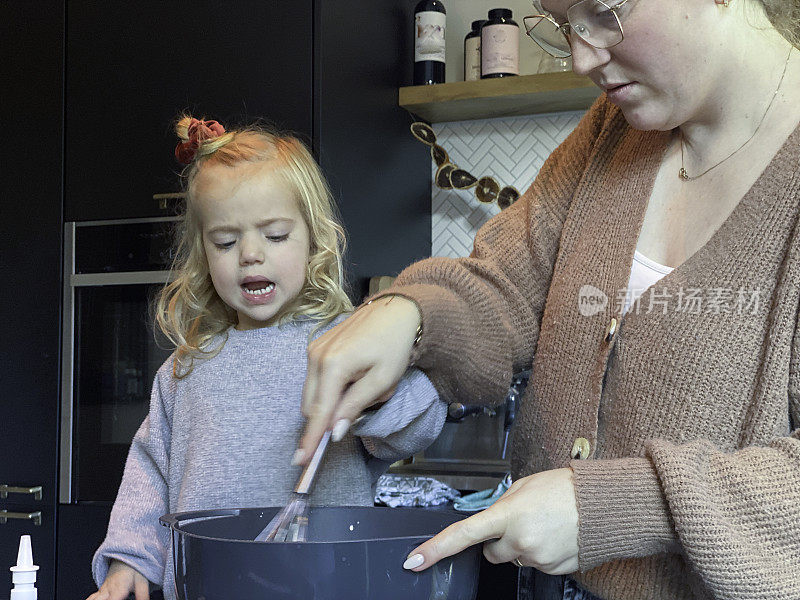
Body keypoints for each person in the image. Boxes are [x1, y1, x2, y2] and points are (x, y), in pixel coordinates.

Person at [296, 1, 800, 598]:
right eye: (563, 25)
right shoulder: (613, 131)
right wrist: (410, 315)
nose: (583, 57)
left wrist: (612, 509)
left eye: (603, 12)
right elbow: (508, 282)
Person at [87, 117, 446, 600]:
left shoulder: (345, 343)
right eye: (226, 242)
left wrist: (369, 400)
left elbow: (421, 425)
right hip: (205, 586)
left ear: (314, 238)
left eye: (275, 235)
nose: (251, 255)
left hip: (325, 586)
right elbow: (149, 472)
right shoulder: (184, 368)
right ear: (202, 253)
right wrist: (129, 560)